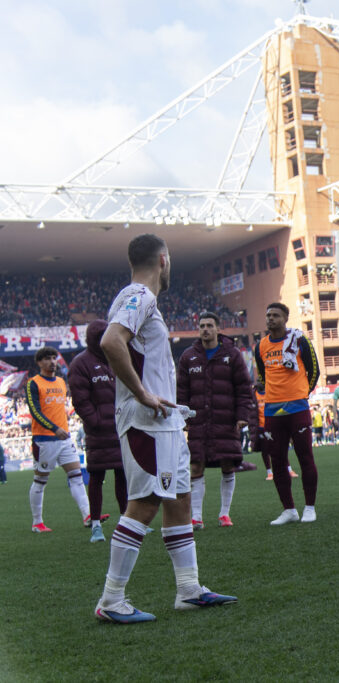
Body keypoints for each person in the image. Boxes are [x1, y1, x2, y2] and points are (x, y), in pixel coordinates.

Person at [95, 233, 235, 624]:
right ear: (164, 260)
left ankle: (189, 589)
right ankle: (111, 599)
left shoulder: (141, 299)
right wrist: (142, 394)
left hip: (164, 423)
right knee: (146, 502)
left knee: (179, 500)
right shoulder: (138, 295)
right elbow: (111, 341)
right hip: (147, 423)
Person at [177, 312, 254, 529]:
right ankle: (197, 517)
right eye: (202, 326)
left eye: (210, 325)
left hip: (225, 420)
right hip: (199, 422)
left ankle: (224, 514)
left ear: (218, 329)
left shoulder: (233, 354)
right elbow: (181, 391)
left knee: (227, 464)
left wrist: (242, 416)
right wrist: (182, 417)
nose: (205, 329)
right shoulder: (188, 357)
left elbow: (243, 388)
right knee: (196, 466)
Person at [254, 303, 321, 525]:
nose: (270, 319)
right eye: (268, 315)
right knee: (278, 459)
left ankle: (309, 507)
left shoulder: (299, 340)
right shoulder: (261, 345)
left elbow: (314, 370)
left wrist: (302, 394)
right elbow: (263, 376)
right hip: (273, 410)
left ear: (285, 318)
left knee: (305, 456)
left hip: (297, 407)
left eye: (275, 315)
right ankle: (289, 510)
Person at [69, 320, 126, 543]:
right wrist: (97, 422)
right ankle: (95, 525)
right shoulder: (81, 363)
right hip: (99, 431)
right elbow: (80, 400)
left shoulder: (117, 357)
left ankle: (126, 521)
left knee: (123, 475)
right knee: (96, 476)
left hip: (121, 428)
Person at [25, 346, 92, 532]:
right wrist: (54, 428)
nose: (52, 361)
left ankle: (88, 516)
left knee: (77, 477)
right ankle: (37, 522)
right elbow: (35, 411)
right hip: (44, 440)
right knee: (40, 481)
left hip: (65, 439)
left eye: (54, 358)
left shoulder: (62, 382)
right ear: (39, 362)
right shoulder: (33, 383)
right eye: (47, 358)